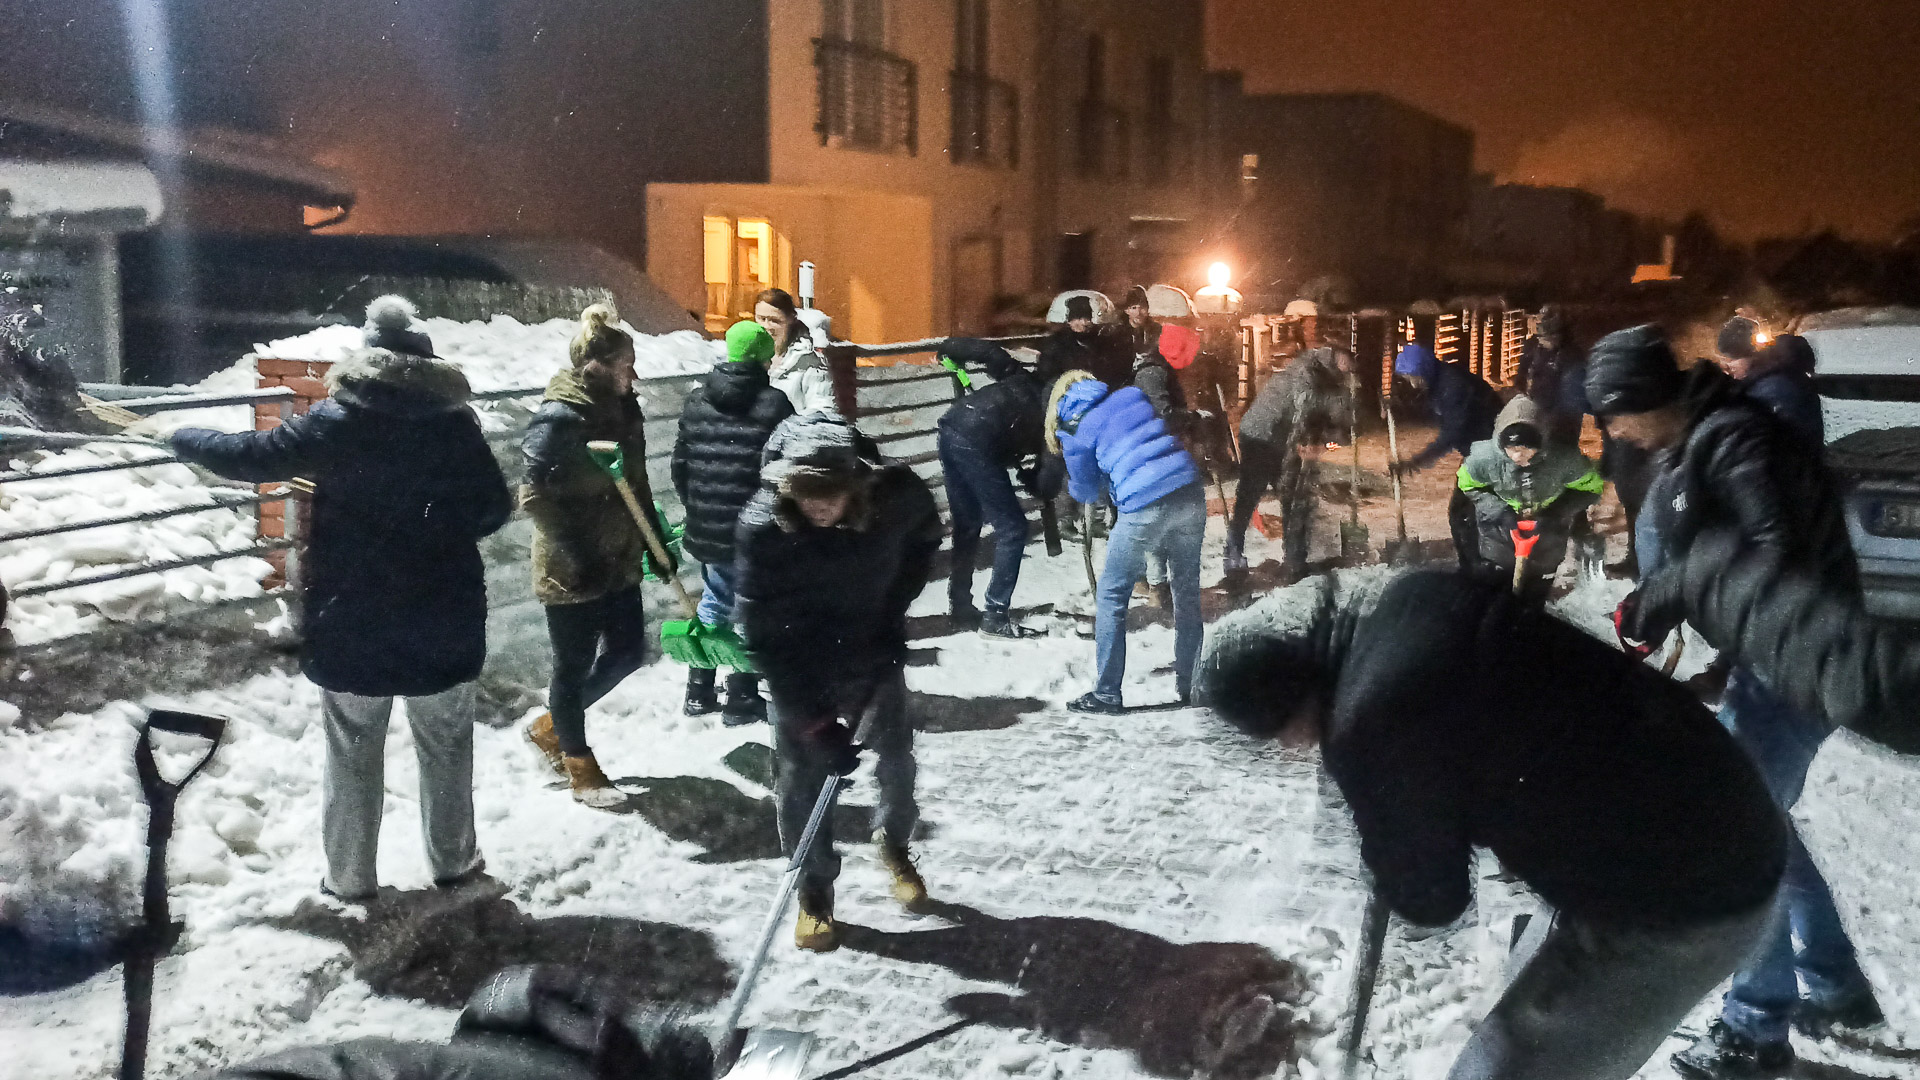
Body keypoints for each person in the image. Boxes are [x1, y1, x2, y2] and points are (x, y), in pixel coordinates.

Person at [1197, 572, 1787, 1080]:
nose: (1288, 752)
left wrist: (1386, 816)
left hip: (1690, 896)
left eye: (1277, 741)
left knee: (1512, 1066)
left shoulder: (1371, 723)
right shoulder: (1411, 600)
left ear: (1281, 715)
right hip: (1708, 793)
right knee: (1525, 988)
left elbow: (1431, 900)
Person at [1584, 325, 1883, 1078]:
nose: (1611, 429)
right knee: (1763, 827)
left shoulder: (1740, 441)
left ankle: (1756, 1030)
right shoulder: (1700, 442)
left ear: (1645, 400)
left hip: (1801, 667)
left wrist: (1673, 590)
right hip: (1775, 666)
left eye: (1614, 414)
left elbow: (1773, 559)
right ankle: (1835, 986)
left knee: (1735, 843)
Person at [167, 295, 511, 899]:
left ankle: (350, 880)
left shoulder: (334, 424)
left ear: (366, 357)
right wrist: (432, 524)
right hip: (442, 615)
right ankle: (454, 866)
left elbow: (250, 457)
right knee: (448, 749)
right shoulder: (455, 427)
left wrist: (182, 435)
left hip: (354, 617)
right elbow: (492, 508)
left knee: (352, 754)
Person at [734, 412, 943, 952]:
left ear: (857, 483)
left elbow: (925, 535)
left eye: (832, 493)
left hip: (871, 651)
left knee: (895, 756)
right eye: (807, 493)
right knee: (802, 777)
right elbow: (764, 639)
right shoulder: (764, 530)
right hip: (801, 665)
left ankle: (894, 842)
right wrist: (815, 722)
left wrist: (894, 608)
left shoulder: (893, 501)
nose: (820, 506)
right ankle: (814, 889)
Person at [522, 304, 672, 810]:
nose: (635, 372)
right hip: (572, 568)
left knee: (628, 653)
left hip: (619, 558)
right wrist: (574, 554)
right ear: (598, 366)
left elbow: (637, 483)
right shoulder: (560, 417)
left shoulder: (626, 410)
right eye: (627, 363)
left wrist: (656, 542)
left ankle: (552, 726)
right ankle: (580, 767)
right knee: (573, 666)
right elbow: (533, 495)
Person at [1048, 370, 1205, 713]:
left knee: (1112, 595)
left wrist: (1096, 482)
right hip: (1189, 489)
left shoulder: (1073, 429)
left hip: (1143, 503)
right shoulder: (1131, 395)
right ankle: (1192, 684)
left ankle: (1106, 693)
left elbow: (1087, 490)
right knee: (1186, 593)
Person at [671, 320, 794, 723]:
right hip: (755, 528)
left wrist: (699, 506)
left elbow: (680, 465)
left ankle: (698, 690)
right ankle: (741, 696)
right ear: (764, 358)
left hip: (707, 522)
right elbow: (786, 467)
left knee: (714, 599)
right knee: (749, 607)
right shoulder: (774, 404)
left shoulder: (696, 400)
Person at [936, 338, 1061, 637]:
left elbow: (990, 352)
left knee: (968, 523)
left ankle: (961, 606)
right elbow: (1046, 484)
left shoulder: (1021, 377)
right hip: (977, 442)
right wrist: (1034, 480)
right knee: (1013, 529)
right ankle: (994, 615)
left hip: (952, 426)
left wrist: (951, 346)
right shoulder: (1055, 426)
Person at [1451, 395, 1604, 600]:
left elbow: (1591, 488)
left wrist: (1556, 512)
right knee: (1496, 596)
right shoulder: (1483, 459)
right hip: (1499, 535)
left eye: (1527, 449)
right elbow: (1468, 485)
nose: (1518, 457)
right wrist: (1500, 511)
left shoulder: (1564, 460)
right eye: (1512, 449)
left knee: (1535, 597)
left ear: (1542, 442)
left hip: (1547, 538)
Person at [1224, 345, 1354, 581]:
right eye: (1345, 366)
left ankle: (1294, 560)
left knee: (1292, 498)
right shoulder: (1307, 377)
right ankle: (1234, 557)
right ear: (1334, 361)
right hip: (1260, 435)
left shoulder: (1329, 382)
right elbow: (1301, 423)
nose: (1348, 371)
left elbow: (1342, 432)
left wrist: (1327, 445)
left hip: (1283, 436)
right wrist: (1305, 449)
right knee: (1252, 495)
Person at [1392, 339, 1500, 474]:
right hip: (1476, 442)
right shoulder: (1436, 381)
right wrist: (1398, 408)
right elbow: (1429, 412)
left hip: (1489, 442)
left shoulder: (1452, 387)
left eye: (1414, 378)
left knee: (1472, 488)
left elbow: (1451, 432)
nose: (1414, 384)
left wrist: (1418, 461)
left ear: (1424, 371)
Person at [1716, 317, 1823, 446]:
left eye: (1730, 359)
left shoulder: (1773, 390)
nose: (1728, 367)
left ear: (1750, 357)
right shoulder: (1768, 379)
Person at [1513, 307, 1589, 446]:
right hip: (1539, 400)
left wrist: (1563, 413)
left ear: (1558, 336)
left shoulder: (1572, 355)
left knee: (1562, 444)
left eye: (1549, 338)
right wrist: (1520, 384)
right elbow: (1523, 369)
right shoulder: (1533, 347)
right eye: (1542, 338)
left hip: (1565, 411)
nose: (1545, 342)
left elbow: (1574, 388)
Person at [755, 288, 837, 415]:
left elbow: (822, 410)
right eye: (761, 318)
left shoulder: (809, 363)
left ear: (790, 320)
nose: (766, 326)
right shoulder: (746, 357)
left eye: (775, 321)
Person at [1037, 294, 1121, 387]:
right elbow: (1048, 376)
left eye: (1087, 318)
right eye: (1079, 318)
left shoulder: (1101, 342)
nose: (1084, 323)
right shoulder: (1055, 344)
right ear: (1069, 321)